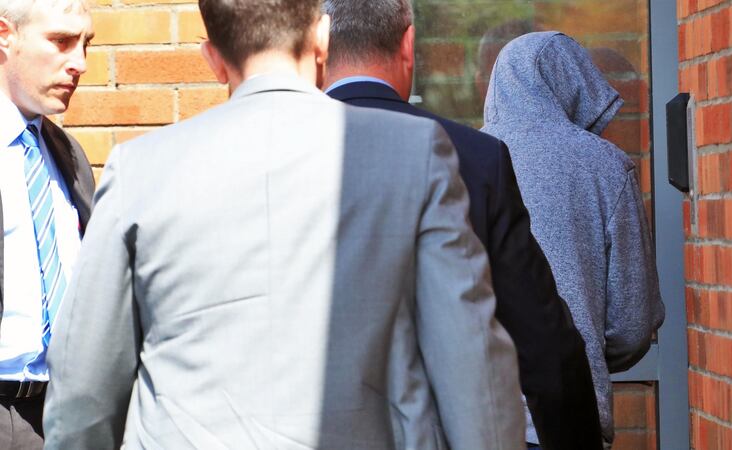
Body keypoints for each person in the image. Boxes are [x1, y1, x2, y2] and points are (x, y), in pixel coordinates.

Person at [43, 0, 526, 448]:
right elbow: (473, 366)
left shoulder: (139, 169)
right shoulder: (413, 152)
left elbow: (84, 390)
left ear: (213, 59)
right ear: (322, 38)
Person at [323, 2, 603, 449]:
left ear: (318, 47)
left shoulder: (265, 157)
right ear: (409, 45)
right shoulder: (475, 156)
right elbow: (545, 345)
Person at [482, 32, 666, 447]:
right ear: (571, 84)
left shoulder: (458, 158)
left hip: (471, 417)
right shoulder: (605, 166)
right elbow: (632, 325)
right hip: (570, 415)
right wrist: (586, 352)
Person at [0, 0, 94, 447]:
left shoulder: (67, 154)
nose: (80, 63)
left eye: (86, 43)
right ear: (5, 35)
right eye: (61, 41)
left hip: (62, 412)